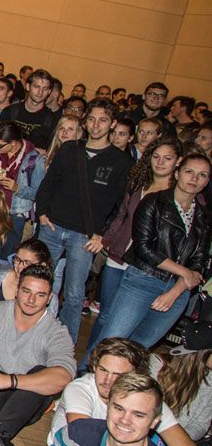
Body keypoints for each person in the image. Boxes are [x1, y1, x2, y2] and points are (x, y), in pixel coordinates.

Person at [88, 153, 209, 351]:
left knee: (138, 348)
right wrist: (185, 272)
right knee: (111, 342)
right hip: (143, 280)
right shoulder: (154, 202)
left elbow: (199, 260)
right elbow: (143, 247)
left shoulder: (204, 215)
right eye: (189, 172)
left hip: (178, 290)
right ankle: (83, 379)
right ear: (177, 173)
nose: (194, 179)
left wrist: (174, 292)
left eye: (202, 175)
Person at [36, 98, 133, 342]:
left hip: (85, 235)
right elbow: (49, 183)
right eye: (91, 119)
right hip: (53, 225)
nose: (96, 124)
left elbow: (122, 205)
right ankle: (31, 329)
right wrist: (42, 212)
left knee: (74, 292)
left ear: (112, 124)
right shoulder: (70, 149)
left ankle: (65, 342)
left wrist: (104, 236)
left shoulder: (120, 161)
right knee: (37, 280)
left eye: (102, 120)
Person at [85, 137, 183, 364]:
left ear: (178, 162)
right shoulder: (138, 183)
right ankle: (91, 361)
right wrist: (106, 241)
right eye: (156, 157)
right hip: (119, 257)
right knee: (106, 315)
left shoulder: (178, 194)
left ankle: (114, 363)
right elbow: (121, 216)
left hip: (147, 266)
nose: (160, 162)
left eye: (167, 158)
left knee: (124, 322)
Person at [0, 263, 75, 442]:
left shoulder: (56, 331)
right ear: (17, 290)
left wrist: (8, 381)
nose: (31, 299)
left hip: (18, 401)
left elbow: (64, 376)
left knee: (43, 376)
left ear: (49, 298)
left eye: (40, 295)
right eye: (26, 291)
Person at [51, 337, 208, 446]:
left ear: (135, 375)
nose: (107, 381)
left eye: (118, 375)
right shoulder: (80, 390)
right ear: (94, 366)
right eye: (103, 370)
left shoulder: (147, 399)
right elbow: (84, 442)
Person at [34, 373, 181, 446]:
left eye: (138, 415)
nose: (125, 420)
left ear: (155, 421)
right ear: (108, 407)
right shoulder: (75, 434)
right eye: (118, 408)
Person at [0, 121, 46, 259]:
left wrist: (17, 188)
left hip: (15, 214)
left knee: (6, 257)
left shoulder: (35, 160)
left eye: (0, 145)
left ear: (13, 143)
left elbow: (39, 193)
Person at [154, 323, 212, 446]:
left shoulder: (210, 379)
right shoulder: (158, 366)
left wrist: (179, 438)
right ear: (202, 354)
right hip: (148, 433)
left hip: (179, 443)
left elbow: (202, 423)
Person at [0, 238, 56, 312]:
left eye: (27, 263)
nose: (20, 266)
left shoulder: (48, 297)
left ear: (42, 265)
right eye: (17, 260)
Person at [0, 69, 58, 151]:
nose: (40, 92)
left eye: (45, 89)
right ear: (27, 86)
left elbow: (51, 150)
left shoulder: (51, 120)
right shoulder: (10, 111)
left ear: (49, 91)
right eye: (37, 86)